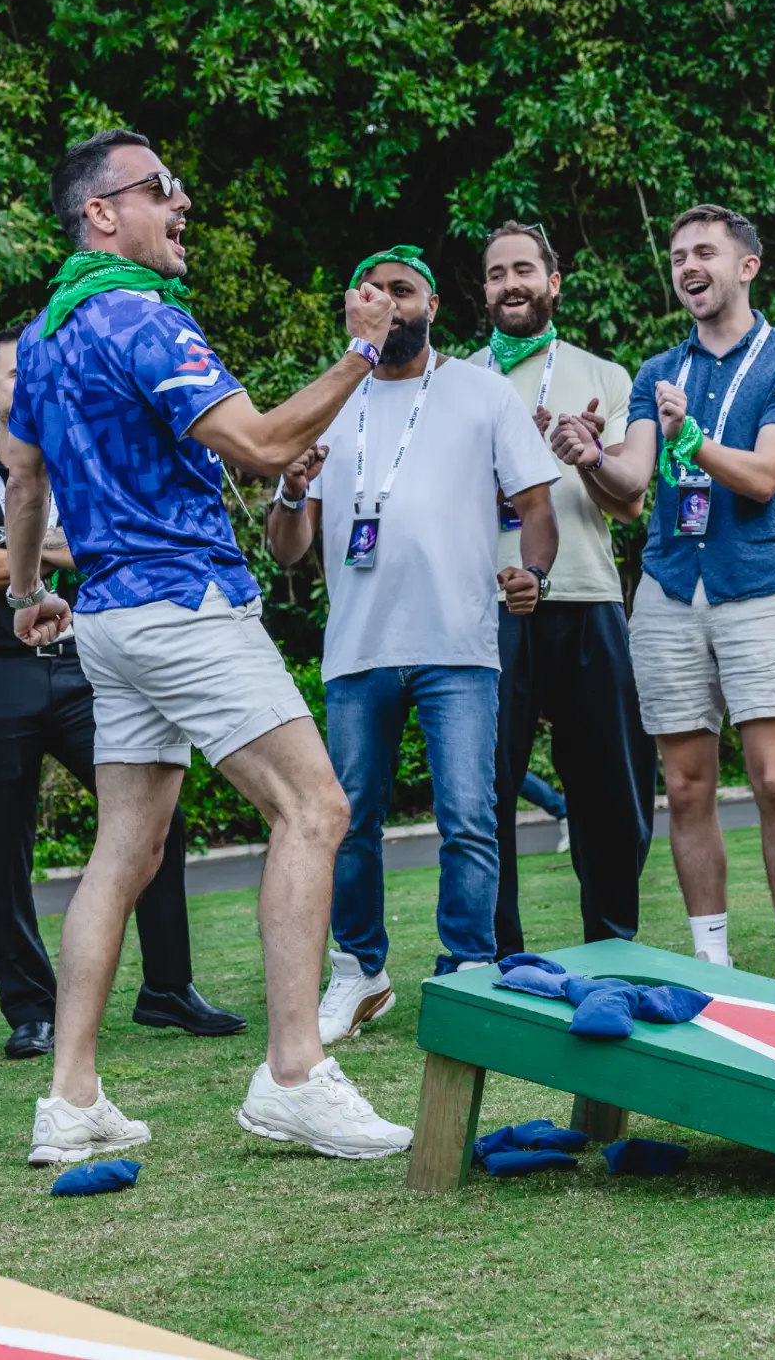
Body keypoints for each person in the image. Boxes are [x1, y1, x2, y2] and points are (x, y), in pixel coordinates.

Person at [2, 128, 412, 1163]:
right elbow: (263, 442)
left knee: (124, 850)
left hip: (106, 618)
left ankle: (70, 1098)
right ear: (101, 213)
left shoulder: (45, 334)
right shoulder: (143, 317)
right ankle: (294, 1073)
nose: (182, 202)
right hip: (182, 606)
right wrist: (362, 348)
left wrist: (26, 590)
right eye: (161, 188)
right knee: (313, 807)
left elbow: (23, 476)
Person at [0, 326, 246, 1061]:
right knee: (6, 845)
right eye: (14, 374)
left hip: (88, 669)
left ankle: (167, 988)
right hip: (0, 675)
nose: (27, 384)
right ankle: (31, 1010)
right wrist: (51, 548)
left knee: (156, 817)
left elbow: (107, 545)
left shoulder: (81, 459)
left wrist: (9, 544)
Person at [266, 244, 559, 1045]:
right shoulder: (330, 399)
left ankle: (467, 969)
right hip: (357, 649)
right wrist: (290, 489)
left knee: (467, 816)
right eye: (371, 291)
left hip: (458, 642)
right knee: (348, 821)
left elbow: (536, 505)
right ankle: (359, 972)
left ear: (430, 305)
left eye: (402, 289)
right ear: (352, 309)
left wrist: (532, 573)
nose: (387, 302)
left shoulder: (480, 391)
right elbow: (287, 549)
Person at [549, 205, 775, 989]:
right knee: (684, 786)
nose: (687, 267)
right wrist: (587, 455)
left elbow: (764, 476)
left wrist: (691, 439)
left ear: (746, 266)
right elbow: (631, 483)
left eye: (704, 252)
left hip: (757, 585)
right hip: (669, 590)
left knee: (774, 778)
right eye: (677, 256)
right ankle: (711, 960)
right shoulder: (656, 371)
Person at [469, 223, 655, 961]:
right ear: (484, 291)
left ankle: (611, 946)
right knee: (485, 794)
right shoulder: (453, 380)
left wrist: (585, 455)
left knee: (611, 789)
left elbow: (629, 504)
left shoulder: (604, 375)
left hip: (585, 597)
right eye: (496, 273)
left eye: (523, 269)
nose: (509, 283)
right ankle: (496, 958)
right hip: (486, 607)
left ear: (552, 282)